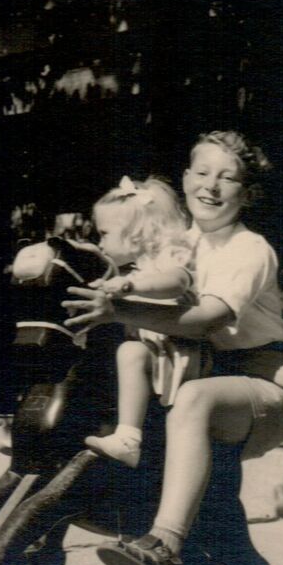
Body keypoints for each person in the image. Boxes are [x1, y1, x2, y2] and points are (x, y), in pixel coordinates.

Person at [64, 130, 283, 565]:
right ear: (186, 177)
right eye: (200, 172)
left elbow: (207, 319)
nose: (210, 186)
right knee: (223, 525)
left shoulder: (249, 249)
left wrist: (120, 312)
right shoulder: (175, 241)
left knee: (193, 401)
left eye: (227, 176)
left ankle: (163, 545)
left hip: (261, 387)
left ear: (247, 192)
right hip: (191, 392)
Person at [81, 176, 200, 469]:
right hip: (158, 353)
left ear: (135, 235)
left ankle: (128, 440)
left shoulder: (169, 257)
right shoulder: (133, 271)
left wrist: (130, 287)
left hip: (180, 350)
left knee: (129, 352)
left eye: (104, 233)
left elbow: (176, 282)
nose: (100, 242)